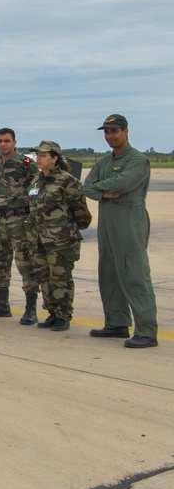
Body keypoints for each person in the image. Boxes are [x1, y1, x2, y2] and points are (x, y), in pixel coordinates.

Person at [83, 114, 159, 348]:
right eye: (106, 132)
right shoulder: (104, 162)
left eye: (114, 131)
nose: (110, 136)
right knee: (109, 272)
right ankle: (116, 323)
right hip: (107, 219)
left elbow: (122, 183)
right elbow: (86, 186)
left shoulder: (138, 160)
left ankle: (147, 331)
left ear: (126, 131)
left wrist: (102, 189)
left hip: (129, 219)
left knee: (133, 273)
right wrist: (104, 193)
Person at [27, 140, 92, 331]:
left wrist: (65, 229)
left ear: (54, 158)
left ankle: (64, 315)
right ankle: (52, 313)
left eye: (43, 155)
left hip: (60, 241)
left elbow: (81, 212)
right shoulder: (36, 180)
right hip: (38, 239)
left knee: (60, 278)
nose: (38, 158)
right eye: (37, 155)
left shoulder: (68, 181)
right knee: (43, 278)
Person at [0, 128, 39, 319]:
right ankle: (2, 304)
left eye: (6, 141)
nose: (3, 144)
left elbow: (35, 189)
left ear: (14, 142)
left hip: (18, 219)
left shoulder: (26, 163)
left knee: (24, 262)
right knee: (0, 262)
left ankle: (31, 308)